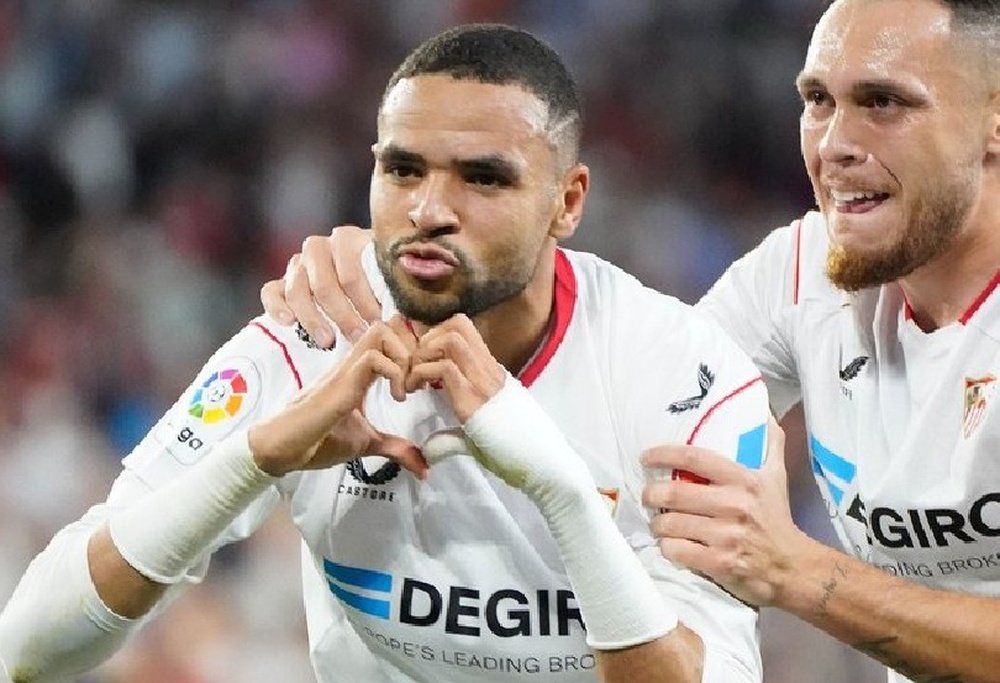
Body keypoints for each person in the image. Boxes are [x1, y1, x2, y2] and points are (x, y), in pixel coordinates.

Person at [0, 24, 771, 683]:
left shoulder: (681, 377)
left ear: (568, 202)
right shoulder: (316, 331)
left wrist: (562, 491)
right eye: (402, 169)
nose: (429, 210)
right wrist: (255, 459)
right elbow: (29, 648)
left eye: (483, 178)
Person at [260, 1, 1000, 682]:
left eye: (884, 103)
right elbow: (633, 400)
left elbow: (776, 564)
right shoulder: (801, 277)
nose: (835, 143)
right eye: (817, 101)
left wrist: (802, 574)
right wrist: (410, 267)